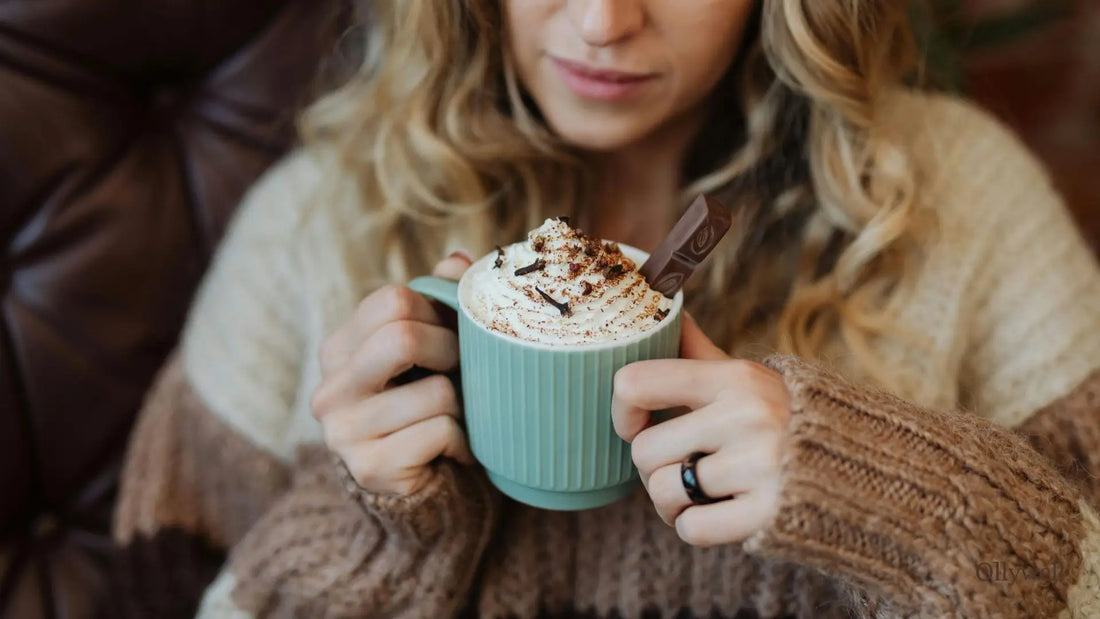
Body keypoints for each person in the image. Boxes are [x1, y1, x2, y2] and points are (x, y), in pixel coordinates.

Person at [112, 1, 1100, 617]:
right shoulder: (312, 225)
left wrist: (883, 488)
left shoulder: (962, 200)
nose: (600, 20)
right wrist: (379, 534)